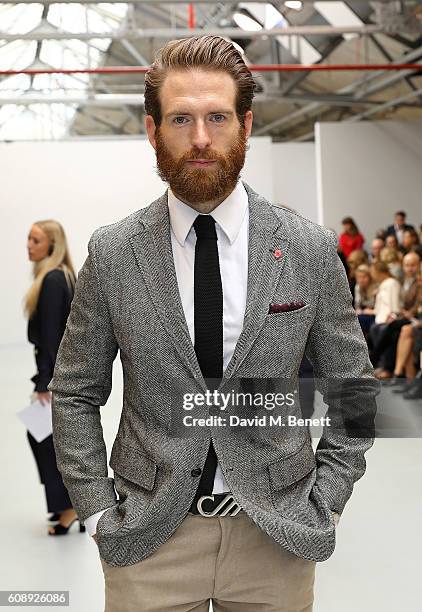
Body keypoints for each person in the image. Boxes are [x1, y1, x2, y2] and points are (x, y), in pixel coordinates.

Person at [48, 35, 379, 612]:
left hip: (275, 539)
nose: (200, 139)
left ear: (245, 126)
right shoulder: (113, 253)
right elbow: (75, 390)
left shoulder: (306, 248)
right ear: (152, 131)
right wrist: (99, 507)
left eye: (217, 118)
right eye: (180, 119)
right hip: (148, 543)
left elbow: (353, 389)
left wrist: (324, 498)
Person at [25, 220, 83, 535]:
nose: (28, 245)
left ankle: (70, 508)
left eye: (35, 240)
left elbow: (52, 337)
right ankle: (66, 506)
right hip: (54, 375)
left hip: (52, 378)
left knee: (45, 440)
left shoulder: (52, 280)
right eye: (29, 239)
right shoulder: (60, 277)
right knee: (47, 440)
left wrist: (45, 383)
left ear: (51, 244)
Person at [367, 261, 402, 378]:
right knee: (374, 328)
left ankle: (387, 366)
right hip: (380, 318)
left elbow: (394, 303)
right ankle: (381, 364)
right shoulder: (382, 285)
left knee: (383, 330)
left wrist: (393, 315)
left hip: (390, 317)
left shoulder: (392, 283)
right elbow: (379, 307)